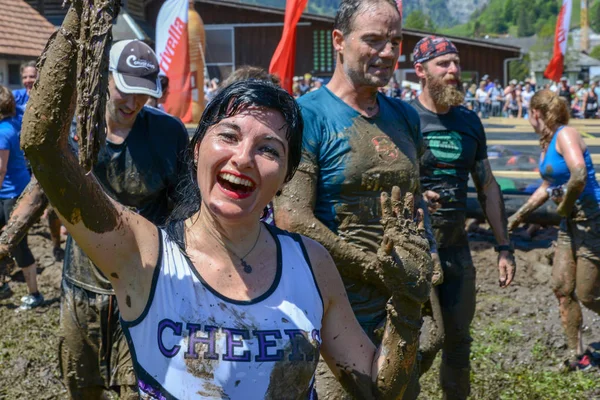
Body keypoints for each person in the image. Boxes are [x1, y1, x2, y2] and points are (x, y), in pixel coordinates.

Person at [24, 38, 436, 398]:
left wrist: (406, 305)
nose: (244, 159)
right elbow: (44, 148)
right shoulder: (145, 252)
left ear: (285, 177)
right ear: (196, 148)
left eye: (269, 150)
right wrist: (81, 22)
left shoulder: (311, 265)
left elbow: (379, 391)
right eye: (229, 135)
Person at [273, 1, 439, 398]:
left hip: (401, 309)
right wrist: (375, 267)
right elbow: (292, 217)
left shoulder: (404, 116)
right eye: (373, 40)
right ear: (339, 41)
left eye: (395, 41)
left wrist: (428, 267)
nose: (386, 52)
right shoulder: (307, 115)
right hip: (335, 311)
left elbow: (415, 201)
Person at [6, 39, 189, 399]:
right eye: (126, 91)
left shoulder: (168, 134)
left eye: (143, 95)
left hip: (143, 283)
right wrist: (7, 238)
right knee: (81, 382)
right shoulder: (70, 132)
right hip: (82, 282)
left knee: (135, 388)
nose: (133, 103)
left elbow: (184, 206)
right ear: (106, 78)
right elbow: (42, 186)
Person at [409, 36, 516, 399]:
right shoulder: (402, 117)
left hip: (456, 250)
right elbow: (382, 180)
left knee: (458, 342)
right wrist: (415, 197)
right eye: (444, 64)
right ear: (420, 71)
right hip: (413, 251)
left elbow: (487, 186)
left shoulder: (469, 121)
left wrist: (504, 247)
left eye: (456, 63)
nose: (454, 71)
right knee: (414, 343)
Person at [508, 89, 600, 371]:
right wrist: (519, 215)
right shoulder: (547, 142)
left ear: (537, 113)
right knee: (562, 288)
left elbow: (579, 175)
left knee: (587, 294)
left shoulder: (565, 135)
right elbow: (547, 187)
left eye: (528, 113)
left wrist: (564, 206)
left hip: (590, 220)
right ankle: (578, 356)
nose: (527, 118)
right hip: (569, 222)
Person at [0, 85, 42, 308]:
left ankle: (35, 294)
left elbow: (0, 169)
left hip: (9, 195)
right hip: (17, 190)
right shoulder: (16, 123)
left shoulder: (3, 132)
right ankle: (2, 286)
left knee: (18, 245)